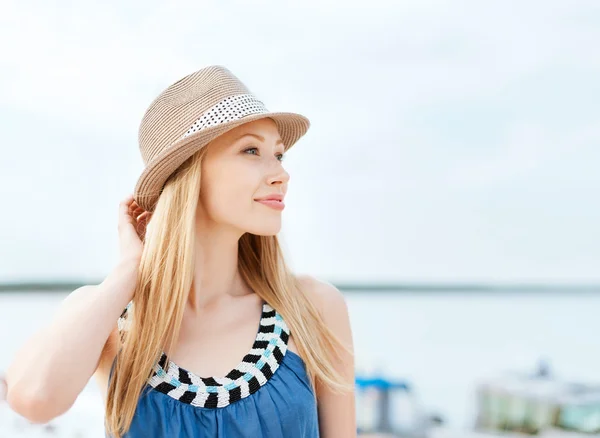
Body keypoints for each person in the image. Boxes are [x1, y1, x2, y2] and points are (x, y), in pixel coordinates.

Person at [5, 65, 356, 437]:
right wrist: (128, 272)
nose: (280, 174)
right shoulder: (112, 317)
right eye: (251, 150)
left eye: (279, 155)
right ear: (190, 172)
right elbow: (33, 399)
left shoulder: (312, 309)